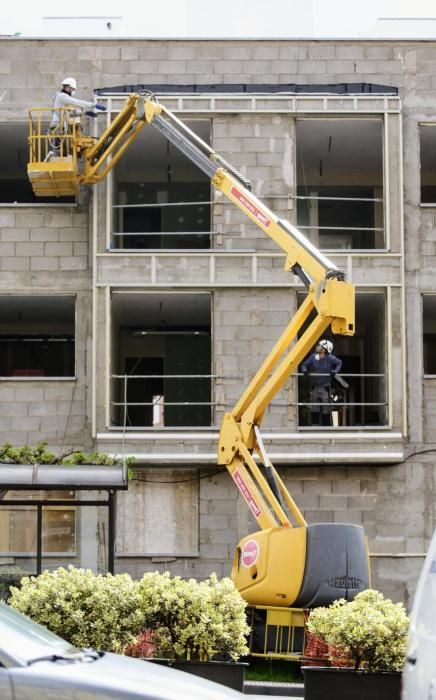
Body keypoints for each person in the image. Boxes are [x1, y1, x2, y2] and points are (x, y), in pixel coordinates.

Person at [49, 77, 106, 153]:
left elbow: (71, 111)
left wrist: (85, 113)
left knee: (62, 151)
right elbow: (77, 102)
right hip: (58, 127)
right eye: (72, 89)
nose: (73, 91)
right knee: (59, 152)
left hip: (59, 127)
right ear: (68, 87)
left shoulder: (62, 98)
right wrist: (94, 105)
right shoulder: (62, 96)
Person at [301, 339, 342, 426]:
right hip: (315, 386)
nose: (317, 346)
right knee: (314, 408)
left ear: (324, 349)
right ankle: (314, 428)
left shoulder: (330, 358)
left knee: (326, 408)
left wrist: (335, 371)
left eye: (319, 345)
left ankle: (326, 429)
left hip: (325, 387)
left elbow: (339, 362)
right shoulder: (313, 357)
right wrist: (305, 371)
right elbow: (304, 365)